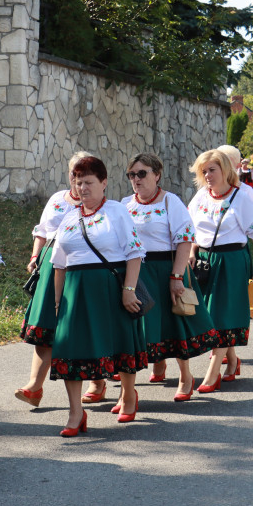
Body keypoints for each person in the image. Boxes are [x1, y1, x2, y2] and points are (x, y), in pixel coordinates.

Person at [50, 155, 147, 434]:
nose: (82, 188)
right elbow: (59, 264)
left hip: (110, 288)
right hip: (75, 292)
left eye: (89, 182)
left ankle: (128, 395)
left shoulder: (116, 211)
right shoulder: (69, 217)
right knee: (70, 348)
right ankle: (75, 413)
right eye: (78, 182)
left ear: (104, 183)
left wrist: (129, 290)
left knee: (121, 343)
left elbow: (135, 253)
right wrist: (58, 303)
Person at [121, 153, 217, 400]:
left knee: (175, 323)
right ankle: (146, 372)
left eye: (142, 173)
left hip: (166, 269)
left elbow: (185, 240)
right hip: (136, 271)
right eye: (132, 174)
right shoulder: (124, 205)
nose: (136, 179)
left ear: (156, 174)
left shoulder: (169, 202)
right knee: (139, 325)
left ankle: (186, 375)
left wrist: (177, 276)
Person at [14, 151, 106, 407]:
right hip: (50, 265)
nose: (79, 180)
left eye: (85, 175)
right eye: (75, 172)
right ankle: (35, 386)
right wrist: (35, 256)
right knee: (45, 327)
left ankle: (97, 381)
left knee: (83, 327)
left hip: (81, 269)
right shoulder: (57, 199)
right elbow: (42, 231)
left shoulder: (101, 204)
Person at [188, 149, 253, 392]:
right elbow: (191, 229)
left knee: (221, 316)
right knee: (211, 313)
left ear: (226, 170)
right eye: (203, 171)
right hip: (205, 262)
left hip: (231, 261)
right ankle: (233, 361)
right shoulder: (200, 197)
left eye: (212, 170)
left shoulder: (242, 196)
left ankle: (212, 373)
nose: (207, 175)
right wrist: (192, 251)